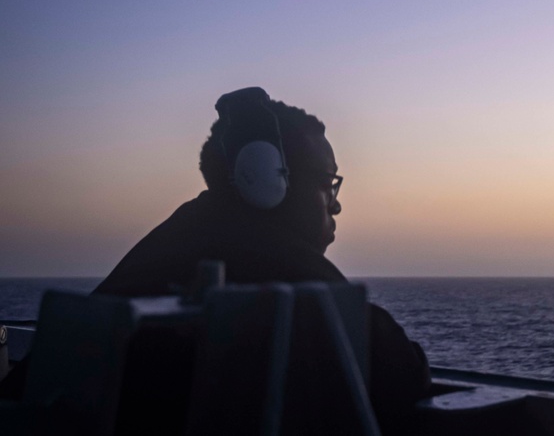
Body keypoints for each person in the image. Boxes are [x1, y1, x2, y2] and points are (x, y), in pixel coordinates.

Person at [95, 88, 431, 433]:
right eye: (326, 183)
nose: (336, 204)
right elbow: (402, 374)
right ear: (271, 179)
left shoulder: (178, 237)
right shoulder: (282, 264)